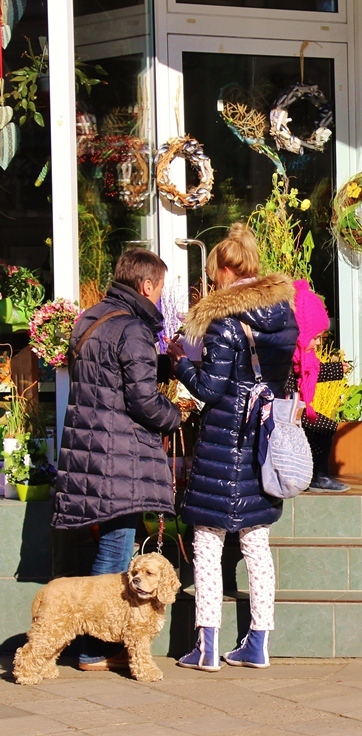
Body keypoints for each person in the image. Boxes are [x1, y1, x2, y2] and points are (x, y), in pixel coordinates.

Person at [166, 223, 297, 672]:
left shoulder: (224, 320)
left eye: (211, 273)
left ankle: (205, 647)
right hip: (263, 440)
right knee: (256, 544)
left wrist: (180, 362)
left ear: (224, 269)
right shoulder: (283, 313)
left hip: (226, 439)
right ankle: (258, 642)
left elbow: (212, 387)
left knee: (207, 543)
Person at [53, 248, 183, 672]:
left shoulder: (91, 318)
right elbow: (143, 400)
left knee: (109, 547)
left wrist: (164, 363)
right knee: (114, 552)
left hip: (91, 455)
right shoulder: (134, 329)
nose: (160, 298)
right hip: (119, 459)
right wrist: (176, 416)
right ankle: (93, 649)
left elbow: (107, 378)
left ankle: (93, 645)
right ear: (146, 286)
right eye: (160, 289)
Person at [289, 278, 350, 493]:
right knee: (323, 428)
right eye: (314, 338)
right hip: (287, 410)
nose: (317, 343)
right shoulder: (290, 356)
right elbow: (290, 382)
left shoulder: (306, 357)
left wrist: (336, 370)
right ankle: (317, 475)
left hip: (296, 408)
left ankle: (316, 474)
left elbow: (313, 374)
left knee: (322, 428)